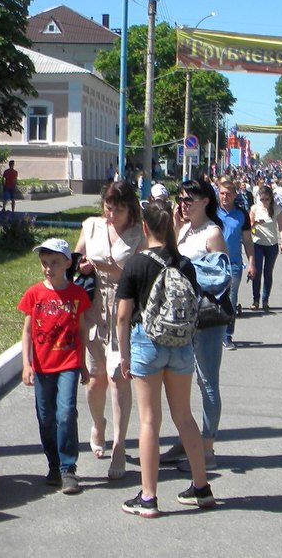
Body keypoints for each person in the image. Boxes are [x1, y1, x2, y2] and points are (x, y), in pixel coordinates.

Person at [116, 200, 216, 517]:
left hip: (146, 343)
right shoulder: (184, 263)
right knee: (184, 416)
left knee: (149, 420)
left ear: (144, 228)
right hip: (181, 345)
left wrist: (124, 355)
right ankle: (201, 488)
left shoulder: (136, 264)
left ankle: (148, 497)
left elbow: (122, 316)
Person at [73, 180, 145, 480]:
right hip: (93, 311)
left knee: (119, 379)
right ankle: (98, 424)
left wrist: (113, 269)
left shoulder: (140, 233)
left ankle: (119, 444)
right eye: (108, 206)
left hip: (124, 310)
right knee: (95, 379)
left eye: (119, 208)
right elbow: (74, 261)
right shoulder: (90, 226)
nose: (111, 213)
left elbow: (143, 270)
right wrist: (83, 266)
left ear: (131, 209)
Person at [18, 238, 92, 496]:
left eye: (55, 263)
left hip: (68, 363)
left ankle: (68, 467)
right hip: (42, 366)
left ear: (67, 263)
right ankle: (53, 464)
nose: (49, 267)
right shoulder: (34, 294)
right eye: (45, 263)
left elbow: (82, 330)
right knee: (46, 416)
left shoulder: (77, 294)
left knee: (65, 412)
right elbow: (27, 331)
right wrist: (26, 363)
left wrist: (82, 363)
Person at [166, 179, 228, 470]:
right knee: (182, 381)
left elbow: (221, 278)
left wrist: (188, 274)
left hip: (205, 318)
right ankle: (186, 439)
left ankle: (207, 449)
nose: (183, 204)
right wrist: (177, 229)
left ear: (206, 201)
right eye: (181, 199)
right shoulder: (184, 229)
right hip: (181, 316)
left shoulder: (213, 233)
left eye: (189, 199)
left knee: (207, 382)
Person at [217, 178, 256, 350]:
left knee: (231, 299)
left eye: (228, 194)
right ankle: (212, 333)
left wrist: (252, 262)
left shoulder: (241, 214)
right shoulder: (211, 212)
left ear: (234, 195)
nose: (225, 197)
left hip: (233, 263)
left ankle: (227, 335)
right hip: (212, 263)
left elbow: (247, 241)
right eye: (222, 193)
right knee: (212, 300)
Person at [249, 185, 282, 311]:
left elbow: (281, 227)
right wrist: (255, 224)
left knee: (268, 272)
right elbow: (249, 229)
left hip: (272, 245)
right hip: (257, 243)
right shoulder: (254, 208)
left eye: (267, 199)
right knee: (257, 272)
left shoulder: (277, 209)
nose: (264, 202)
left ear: (271, 198)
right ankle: (255, 300)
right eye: (262, 199)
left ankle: (265, 300)